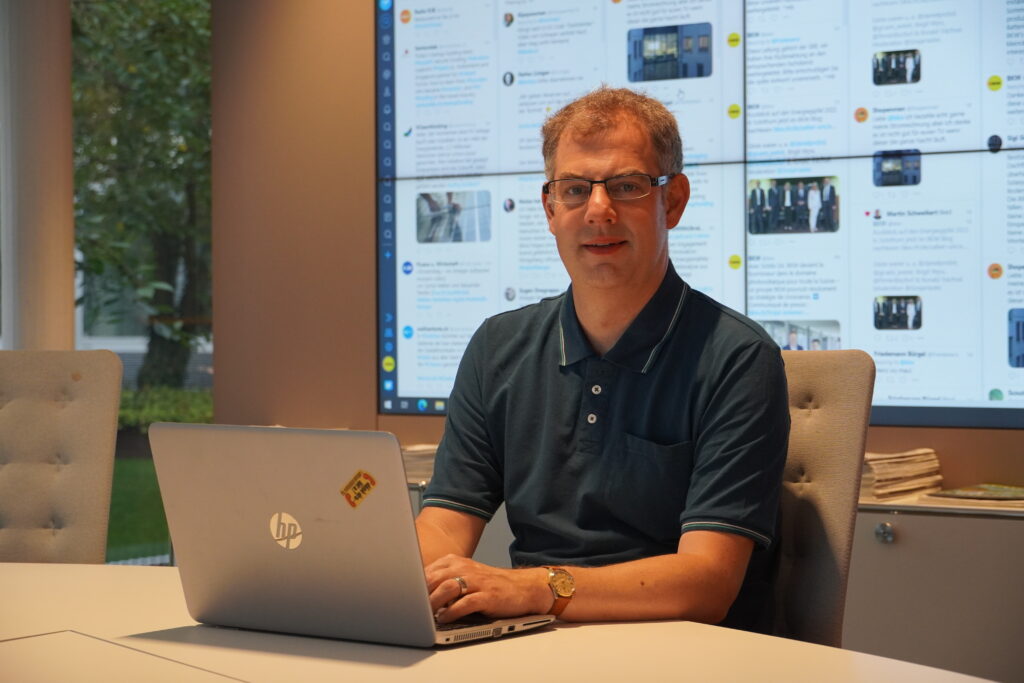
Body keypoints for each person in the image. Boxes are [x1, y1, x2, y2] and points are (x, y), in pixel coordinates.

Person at [415, 86, 789, 632]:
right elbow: (443, 528)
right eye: (574, 190)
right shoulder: (498, 348)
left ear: (674, 201)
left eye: (628, 186)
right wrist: (397, 579)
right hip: (534, 647)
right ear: (549, 208)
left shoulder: (737, 358)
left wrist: (533, 587)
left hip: (681, 655)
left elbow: (705, 583)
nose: (598, 210)